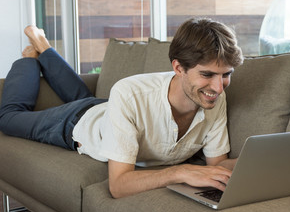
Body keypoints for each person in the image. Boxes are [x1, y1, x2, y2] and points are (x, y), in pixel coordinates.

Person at [0, 18, 243, 198]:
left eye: (226, 75)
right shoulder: (130, 93)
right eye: (207, 74)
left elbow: (216, 166)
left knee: (83, 97)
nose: (219, 87)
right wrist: (180, 172)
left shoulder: (214, 98)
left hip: (109, 111)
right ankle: (31, 57)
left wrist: (265, 160)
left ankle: (44, 46)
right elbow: (118, 185)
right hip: (75, 123)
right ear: (178, 68)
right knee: (9, 118)